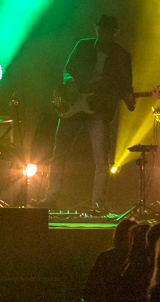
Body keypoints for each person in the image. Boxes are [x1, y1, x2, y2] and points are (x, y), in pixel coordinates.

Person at [47, 14, 135, 212]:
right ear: (97, 28)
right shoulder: (83, 46)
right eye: (100, 30)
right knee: (59, 153)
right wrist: (71, 84)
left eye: (106, 31)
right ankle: (50, 198)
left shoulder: (122, 56)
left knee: (101, 160)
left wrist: (129, 99)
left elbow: (125, 86)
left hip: (99, 109)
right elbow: (68, 70)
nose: (102, 34)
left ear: (114, 33)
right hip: (74, 106)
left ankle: (98, 204)